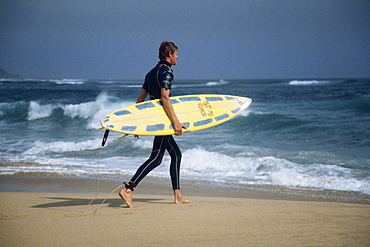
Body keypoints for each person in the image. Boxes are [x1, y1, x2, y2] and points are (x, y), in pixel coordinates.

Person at [119, 41, 191, 208]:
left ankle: (178, 196)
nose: (178, 57)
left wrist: (137, 123)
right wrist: (175, 122)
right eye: (176, 54)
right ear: (169, 55)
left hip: (156, 119)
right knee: (156, 158)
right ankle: (128, 189)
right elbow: (165, 98)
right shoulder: (167, 72)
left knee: (176, 155)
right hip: (162, 120)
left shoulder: (150, 73)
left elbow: (140, 101)